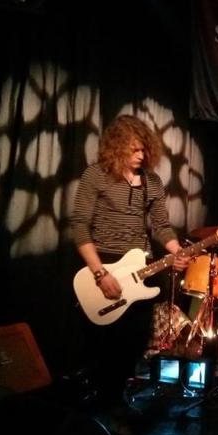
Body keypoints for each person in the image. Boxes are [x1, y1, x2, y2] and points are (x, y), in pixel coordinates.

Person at [70, 114, 190, 403]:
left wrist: (176, 250)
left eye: (144, 149)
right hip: (104, 262)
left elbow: (161, 226)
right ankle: (101, 402)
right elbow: (80, 225)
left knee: (135, 341)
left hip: (140, 266)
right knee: (105, 344)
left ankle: (116, 399)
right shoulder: (96, 175)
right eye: (134, 149)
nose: (140, 155)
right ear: (117, 146)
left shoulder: (152, 182)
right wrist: (100, 273)